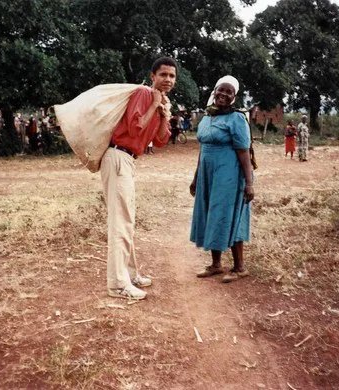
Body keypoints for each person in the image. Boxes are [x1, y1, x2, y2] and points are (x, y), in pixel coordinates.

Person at [101, 56, 177, 300]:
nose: (168, 79)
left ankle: (130, 275)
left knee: (128, 220)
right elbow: (135, 128)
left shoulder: (159, 101)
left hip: (128, 160)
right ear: (153, 76)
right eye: (163, 74)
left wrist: (164, 113)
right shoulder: (144, 94)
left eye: (172, 76)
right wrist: (154, 104)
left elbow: (162, 141)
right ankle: (117, 285)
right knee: (120, 222)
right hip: (118, 156)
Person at [190, 75, 254, 283]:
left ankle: (239, 267)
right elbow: (203, 149)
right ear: (214, 91)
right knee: (210, 212)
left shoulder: (237, 119)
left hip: (229, 174)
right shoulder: (207, 117)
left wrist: (249, 183)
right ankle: (216, 264)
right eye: (221, 90)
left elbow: (244, 152)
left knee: (229, 213)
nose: (224, 95)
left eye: (229, 92)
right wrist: (196, 176)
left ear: (234, 97)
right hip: (208, 175)